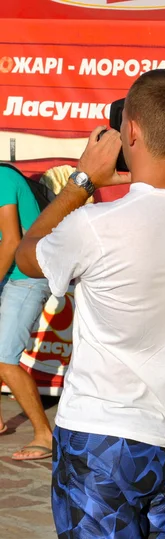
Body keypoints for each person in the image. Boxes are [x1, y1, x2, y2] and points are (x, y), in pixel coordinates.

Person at [16, 69, 165, 538]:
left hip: (102, 437)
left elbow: (27, 255)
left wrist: (80, 181)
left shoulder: (96, 224)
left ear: (129, 131)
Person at [0, 165, 52, 460]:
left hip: (27, 276)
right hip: (12, 274)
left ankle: (44, 435)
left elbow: (10, 241)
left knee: (5, 359)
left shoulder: (2, 178)